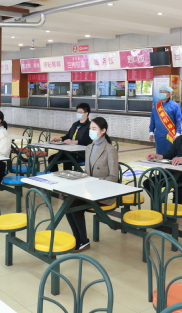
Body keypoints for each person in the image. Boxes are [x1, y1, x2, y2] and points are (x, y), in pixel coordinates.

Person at [66, 117, 118, 252]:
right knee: (68, 205)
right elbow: (88, 172)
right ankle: (78, 239)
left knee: (74, 207)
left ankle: (83, 241)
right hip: (89, 190)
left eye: (94, 129)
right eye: (90, 129)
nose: (91, 131)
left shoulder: (110, 150)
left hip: (103, 192)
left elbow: (113, 177)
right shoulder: (89, 147)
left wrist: (94, 183)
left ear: (103, 131)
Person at [48, 103, 92, 170]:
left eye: (80, 112)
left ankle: (68, 175)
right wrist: (60, 139)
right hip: (69, 151)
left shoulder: (89, 126)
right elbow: (68, 136)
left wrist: (73, 142)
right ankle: (55, 175)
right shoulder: (75, 124)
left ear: (86, 113)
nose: (78, 114)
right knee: (51, 159)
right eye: (77, 112)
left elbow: (87, 141)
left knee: (67, 161)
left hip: (80, 154)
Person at [149, 85, 182, 155]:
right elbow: (152, 120)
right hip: (159, 135)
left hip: (171, 134)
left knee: (171, 154)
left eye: (164, 92)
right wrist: (151, 132)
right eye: (160, 92)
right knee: (160, 154)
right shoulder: (156, 106)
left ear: (169, 94)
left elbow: (179, 120)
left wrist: (178, 133)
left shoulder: (175, 105)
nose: (162, 93)